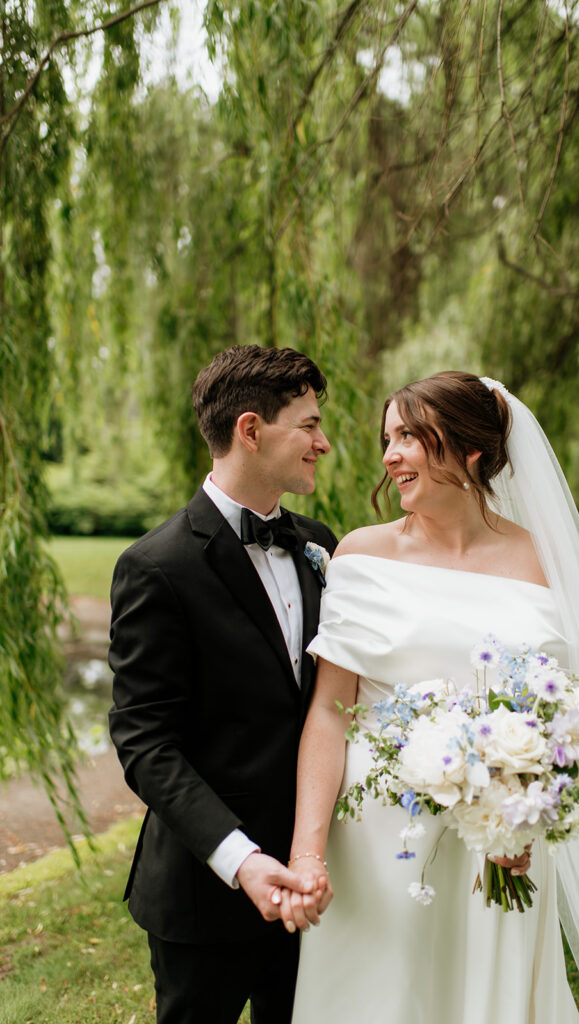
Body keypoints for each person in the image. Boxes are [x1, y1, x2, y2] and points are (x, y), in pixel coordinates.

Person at [282, 371, 579, 1024]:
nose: (390, 456)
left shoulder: (541, 560)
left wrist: (530, 805)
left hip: (505, 847)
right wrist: (308, 851)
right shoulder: (362, 555)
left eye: (410, 436)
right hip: (383, 838)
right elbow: (328, 711)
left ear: (469, 448)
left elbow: (568, 713)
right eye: (389, 438)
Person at [108, 344, 336, 1024]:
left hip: (314, 879)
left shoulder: (320, 544)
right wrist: (241, 860)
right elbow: (144, 741)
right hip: (204, 891)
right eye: (310, 425)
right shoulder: (157, 566)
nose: (323, 444)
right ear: (250, 429)